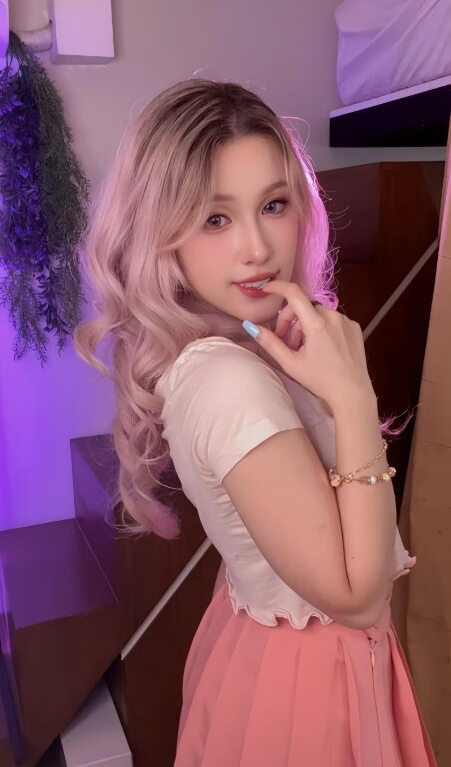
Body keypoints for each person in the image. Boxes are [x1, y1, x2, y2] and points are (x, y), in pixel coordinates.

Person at [74, 78, 437, 766]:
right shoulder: (226, 380)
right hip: (309, 682)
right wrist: (353, 398)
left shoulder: (233, 347)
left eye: (273, 205)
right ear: (160, 235)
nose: (256, 247)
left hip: (271, 648)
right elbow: (358, 599)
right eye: (214, 218)